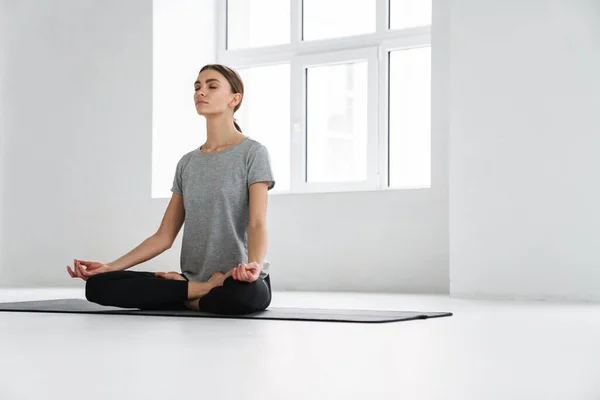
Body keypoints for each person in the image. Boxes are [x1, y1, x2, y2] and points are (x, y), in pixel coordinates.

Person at [66, 64, 275, 315]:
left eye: (212, 86)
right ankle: (199, 290)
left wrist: (253, 265)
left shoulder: (253, 153)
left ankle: (185, 295)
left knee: (243, 296)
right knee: (98, 286)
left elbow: (257, 223)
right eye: (197, 87)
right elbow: (164, 236)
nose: (201, 92)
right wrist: (110, 267)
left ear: (235, 98)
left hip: (239, 279)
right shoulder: (188, 163)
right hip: (193, 278)